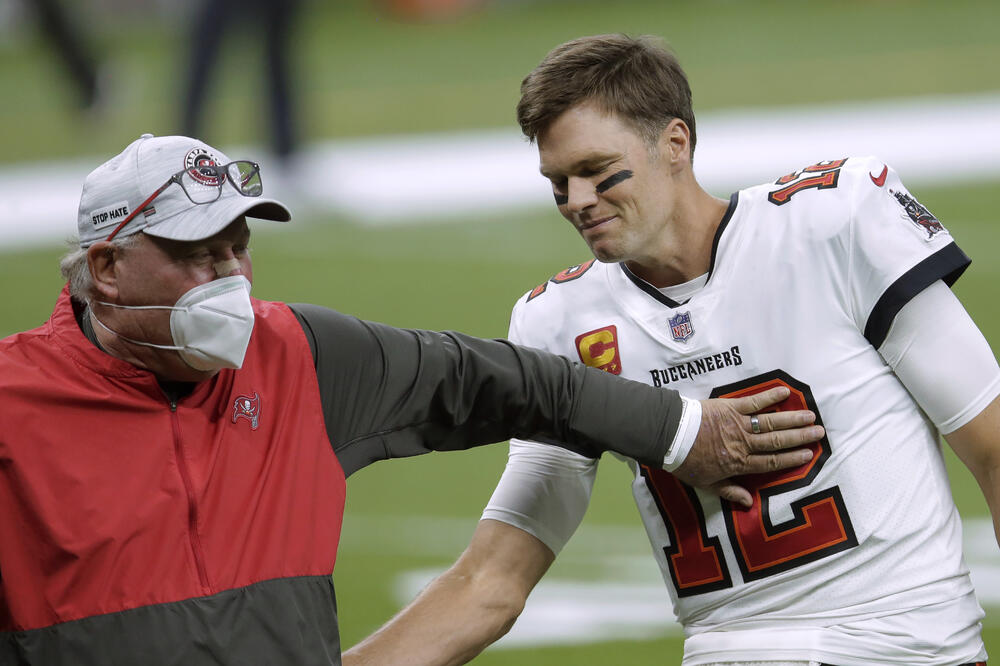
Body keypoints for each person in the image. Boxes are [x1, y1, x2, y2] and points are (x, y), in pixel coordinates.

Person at [0, 132, 825, 664]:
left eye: (237, 248)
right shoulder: (14, 406)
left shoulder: (297, 354)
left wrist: (679, 431)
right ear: (108, 270)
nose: (230, 279)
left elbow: (516, 382)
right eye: (196, 255)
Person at [344, 34, 1000, 666]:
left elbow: (993, 449)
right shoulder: (559, 322)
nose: (576, 201)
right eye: (558, 181)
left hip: (901, 647)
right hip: (726, 650)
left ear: (675, 143)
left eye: (596, 170)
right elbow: (493, 579)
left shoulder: (833, 221)